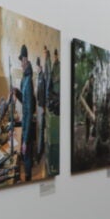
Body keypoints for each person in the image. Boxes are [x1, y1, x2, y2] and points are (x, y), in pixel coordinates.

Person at [10, 44, 34, 181]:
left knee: (27, 154)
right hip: (25, 123)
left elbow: (29, 112)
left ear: (25, 59)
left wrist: (24, 139)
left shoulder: (28, 81)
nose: (21, 64)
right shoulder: (25, 78)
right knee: (25, 156)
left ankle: (28, 179)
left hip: (27, 124)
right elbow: (25, 101)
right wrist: (16, 92)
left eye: (21, 61)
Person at [46, 47, 60, 176]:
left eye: (56, 55)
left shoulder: (59, 67)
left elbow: (56, 80)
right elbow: (51, 81)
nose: (55, 57)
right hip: (53, 96)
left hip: (58, 97)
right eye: (54, 55)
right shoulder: (53, 67)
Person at [35, 56, 46, 164]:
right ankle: (39, 151)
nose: (37, 68)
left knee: (42, 130)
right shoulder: (38, 76)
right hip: (39, 106)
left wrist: (43, 107)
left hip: (43, 107)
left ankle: (39, 154)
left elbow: (43, 92)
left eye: (38, 66)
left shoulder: (43, 77)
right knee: (40, 129)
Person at [80, 73, 95, 143]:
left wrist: (94, 107)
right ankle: (86, 139)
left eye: (93, 79)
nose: (93, 80)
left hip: (91, 105)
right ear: (90, 78)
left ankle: (89, 137)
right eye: (92, 79)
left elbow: (93, 97)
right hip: (87, 105)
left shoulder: (92, 86)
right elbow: (82, 94)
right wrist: (85, 108)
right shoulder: (87, 83)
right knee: (88, 122)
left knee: (92, 121)